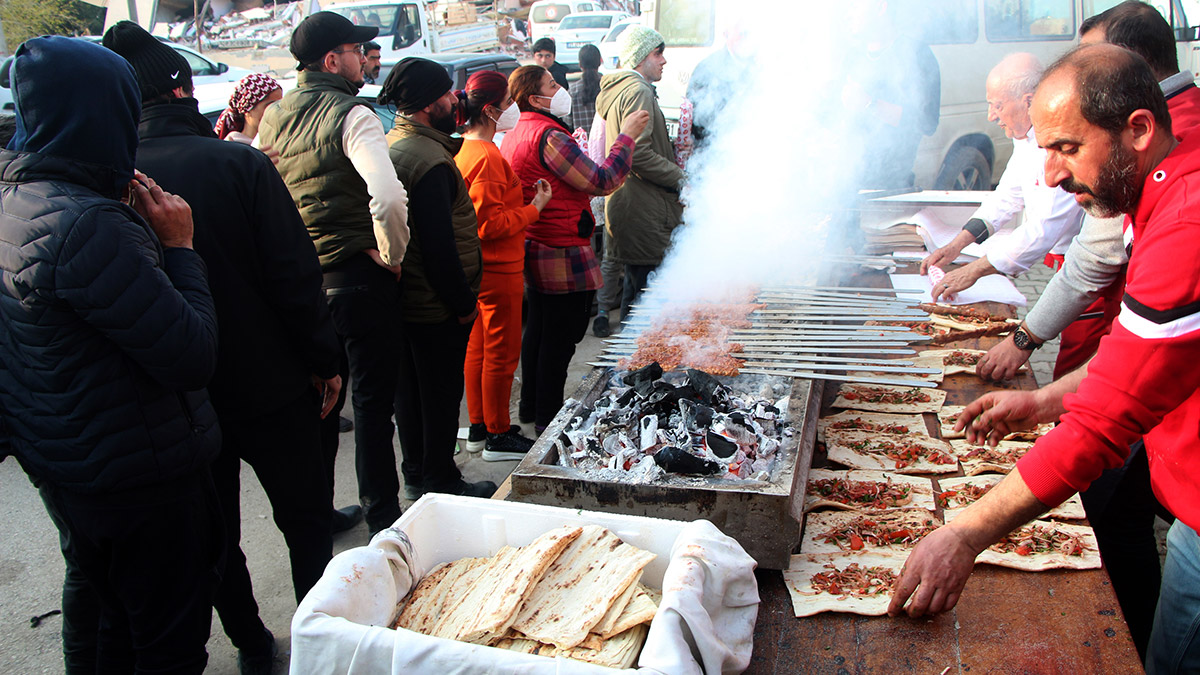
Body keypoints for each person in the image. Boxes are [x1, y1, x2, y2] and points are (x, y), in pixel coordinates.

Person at [889, 44, 1200, 675]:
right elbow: (1132, 357)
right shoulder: (1161, 185)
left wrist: (964, 533)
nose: (1051, 177)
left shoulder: (1186, 224)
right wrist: (1042, 401)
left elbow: (1104, 424)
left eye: (1066, 149)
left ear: (1138, 130)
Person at [102, 22, 345, 673]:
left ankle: (251, 641)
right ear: (183, 88)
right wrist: (326, 360)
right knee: (305, 519)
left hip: (178, 394)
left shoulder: (109, 180)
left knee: (217, 535)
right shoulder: (238, 161)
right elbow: (294, 275)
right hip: (269, 382)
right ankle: (319, 638)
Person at [0, 36, 221, 673]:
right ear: (105, 113)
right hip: (140, 476)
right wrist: (178, 246)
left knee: (102, 619)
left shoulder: (19, 198)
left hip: (67, 466)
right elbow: (189, 355)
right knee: (165, 638)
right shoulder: (90, 223)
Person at [257, 11, 411, 535]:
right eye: (356, 49)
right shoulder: (352, 114)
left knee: (321, 399)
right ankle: (383, 516)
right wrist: (391, 256)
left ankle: (317, 512)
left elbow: (266, 192)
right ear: (331, 60)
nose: (365, 58)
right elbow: (388, 197)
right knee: (370, 402)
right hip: (356, 276)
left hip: (302, 282)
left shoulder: (274, 116)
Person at [502, 65, 648, 430]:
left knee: (538, 329)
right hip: (561, 247)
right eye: (552, 84)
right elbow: (602, 179)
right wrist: (626, 138)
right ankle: (548, 420)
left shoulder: (516, 131)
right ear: (536, 98)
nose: (561, 87)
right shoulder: (550, 136)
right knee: (561, 338)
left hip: (537, 240)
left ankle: (532, 408)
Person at [378, 58, 496, 497]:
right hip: (436, 305)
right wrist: (463, 305)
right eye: (448, 93)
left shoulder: (397, 142)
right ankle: (441, 481)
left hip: (411, 300)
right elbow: (436, 245)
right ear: (429, 104)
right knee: (440, 397)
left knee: (412, 396)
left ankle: (416, 474)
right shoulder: (428, 159)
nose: (455, 100)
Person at [920, 53, 1085, 355]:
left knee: (1079, 352)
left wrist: (975, 270)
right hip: (1065, 260)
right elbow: (1007, 195)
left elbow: (1043, 228)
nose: (991, 116)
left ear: (1029, 100)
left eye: (997, 105)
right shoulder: (1025, 137)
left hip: (1089, 267)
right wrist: (957, 245)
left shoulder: (1059, 141)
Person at [453, 70, 550, 460]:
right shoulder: (488, 156)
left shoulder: (466, 150)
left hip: (482, 269)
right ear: (491, 110)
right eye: (509, 103)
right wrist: (533, 209)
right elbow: (488, 224)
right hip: (499, 267)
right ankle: (496, 432)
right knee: (501, 353)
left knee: (478, 348)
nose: (513, 109)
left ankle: (479, 426)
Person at [596, 26, 685, 319]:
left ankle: (627, 362)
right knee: (646, 306)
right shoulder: (637, 91)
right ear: (639, 58)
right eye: (657, 54)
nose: (663, 61)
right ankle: (634, 364)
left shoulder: (624, 88)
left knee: (635, 298)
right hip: (643, 208)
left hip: (631, 204)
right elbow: (638, 154)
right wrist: (680, 178)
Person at [842, 0, 940, 190]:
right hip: (847, 184)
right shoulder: (853, 56)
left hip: (891, 187)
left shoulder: (917, 55)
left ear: (880, 7)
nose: (848, 13)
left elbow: (926, 123)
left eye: (854, 5)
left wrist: (869, 104)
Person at [684, 20, 753, 147]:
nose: (746, 39)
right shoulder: (707, 68)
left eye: (748, 34)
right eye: (741, 34)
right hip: (715, 148)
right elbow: (696, 115)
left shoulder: (759, 65)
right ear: (726, 34)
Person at [214, 72, 283, 145]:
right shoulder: (233, 146)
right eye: (270, 105)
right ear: (247, 110)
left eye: (279, 104)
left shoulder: (282, 141)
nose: (276, 110)